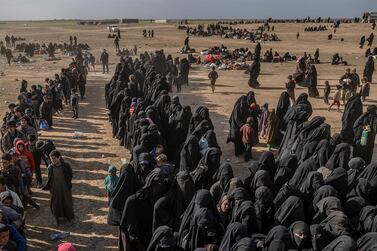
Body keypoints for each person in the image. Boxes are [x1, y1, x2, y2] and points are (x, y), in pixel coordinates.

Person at [43, 150, 74, 225]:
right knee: (55, 205)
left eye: (54, 158)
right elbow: (49, 178)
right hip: (55, 190)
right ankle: (57, 219)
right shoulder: (50, 168)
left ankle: (70, 219)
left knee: (67, 203)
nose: (52, 160)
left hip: (65, 188)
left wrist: (67, 184)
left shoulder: (66, 165)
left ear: (59, 157)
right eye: (51, 159)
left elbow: (70, 175)